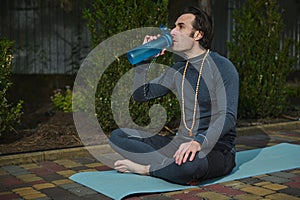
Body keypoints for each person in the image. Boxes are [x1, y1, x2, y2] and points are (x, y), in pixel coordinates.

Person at [109, 6, 239, 185]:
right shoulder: (178, 69)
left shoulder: (223, 67)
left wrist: (198, 142)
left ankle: (146, 169)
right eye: (174, 27)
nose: (172, 31)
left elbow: (228, 116)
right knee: (119, 136)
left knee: (190, 165)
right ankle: (169, 167)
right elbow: (141, 95)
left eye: (180, 27)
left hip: (215, 149)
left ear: (197, 35)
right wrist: (145, 60)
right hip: (179, 145)